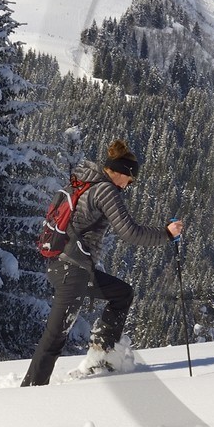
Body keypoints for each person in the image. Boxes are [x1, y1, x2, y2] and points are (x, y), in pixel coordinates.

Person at [21, 139, 184, 386]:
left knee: (122, 294)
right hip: (72, 270)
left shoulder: (82, 182)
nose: (128, 186)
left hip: (64, 265)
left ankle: (101, 356)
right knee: (55, 337)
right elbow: (130, 232)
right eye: (129, 180)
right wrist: (167, 233)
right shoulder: (106, 190)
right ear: (120, 172)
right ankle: (30, 389)